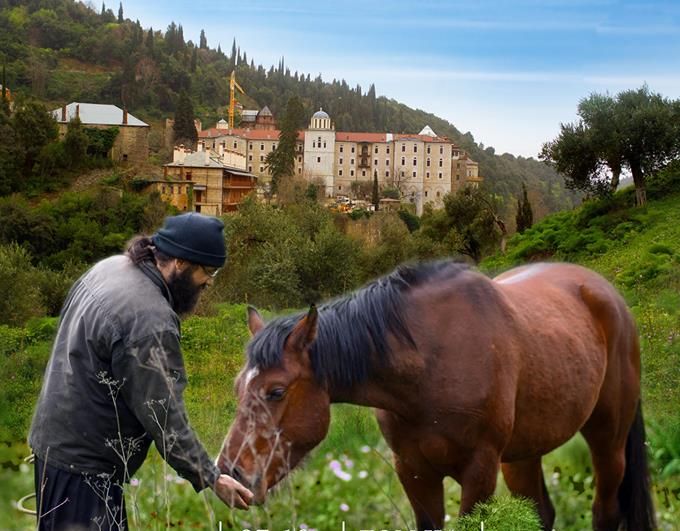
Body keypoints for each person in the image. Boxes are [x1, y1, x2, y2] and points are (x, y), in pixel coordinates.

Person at [29, 212, 253, 530]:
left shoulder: (110, 268)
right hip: (85, 470)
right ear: (180, 263)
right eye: (208, 270)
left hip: (53, 451)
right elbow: (165, 417)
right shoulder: (150, 320)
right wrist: (212, 477)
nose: (210, 281)